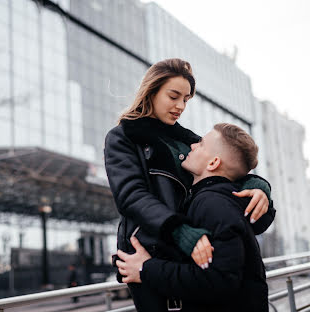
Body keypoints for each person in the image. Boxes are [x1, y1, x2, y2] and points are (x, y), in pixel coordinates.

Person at [104, 59, 275, 312]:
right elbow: (131, 196)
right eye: (174, 96)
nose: (181, 106)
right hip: (152, 254)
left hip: (194, 258)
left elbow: (226, 168)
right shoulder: (124, 138)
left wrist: (259, 186)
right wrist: (179, 231)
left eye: (186, 99)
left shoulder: (190, 141)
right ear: (151, 91)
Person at [116, 123, 271, 312]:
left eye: (201, 144)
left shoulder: (212, 204)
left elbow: (219, 280)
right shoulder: (217, 199)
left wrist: (146, 269)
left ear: (213, 163)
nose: (192, 146)